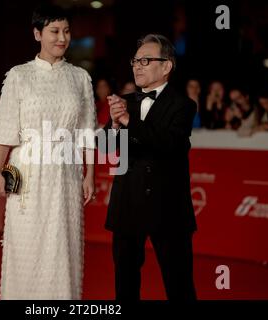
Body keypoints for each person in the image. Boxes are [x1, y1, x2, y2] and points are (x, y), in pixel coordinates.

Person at [0, 4, 96, 300]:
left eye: (66, 31)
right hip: (26, 171)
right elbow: (6, 127)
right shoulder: (18, 76)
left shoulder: (80, 78)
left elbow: (87, 131)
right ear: (37, 34)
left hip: (65, 172)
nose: (61, 38)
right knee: (26, 242)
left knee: (63, 244)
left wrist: (90, 174)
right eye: (54, 31)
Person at [102, 34, 197, 300]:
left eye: (145, 60)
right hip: (127, 204)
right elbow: (105, 150)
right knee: (125, 284)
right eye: (135, 60)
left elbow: (167, 144)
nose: (137, 66)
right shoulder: (124, 101)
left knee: (179, 285)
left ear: (166, 66)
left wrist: (129, 120)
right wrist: (115, 125)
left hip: (168, 208)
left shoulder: (183, 105)